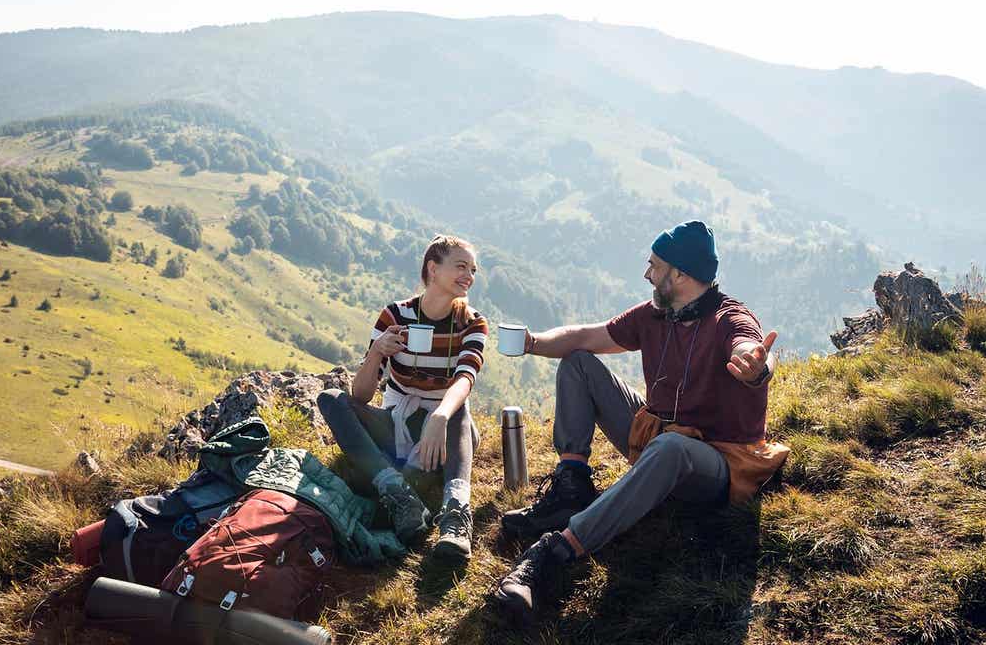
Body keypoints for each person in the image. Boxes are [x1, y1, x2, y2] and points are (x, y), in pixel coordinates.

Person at [491, 220, 786, 625]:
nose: (647, 274)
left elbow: (752, 347)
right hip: (661, 433)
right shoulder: (656, 315)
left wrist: (757, 366)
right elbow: (586, 336)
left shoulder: (728, 319)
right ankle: (572, 486)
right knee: (577, 362)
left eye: (654, 265)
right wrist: (531, 343)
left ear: (679, 273)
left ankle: (552, 553)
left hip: (717, 462)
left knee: (670, 449)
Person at [316, 235, 487, 565]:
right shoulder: (394, 316)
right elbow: (362, 395)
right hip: (396, 423)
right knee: (331, 399)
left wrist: (439, 417)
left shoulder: (472, 322)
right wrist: (378, 351)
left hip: (447, 429)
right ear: (433, 269)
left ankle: (455, 518)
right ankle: (398, 493)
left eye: (474, 270)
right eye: (461, 266)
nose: (470, 276)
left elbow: (466, 378)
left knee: (459, 408)